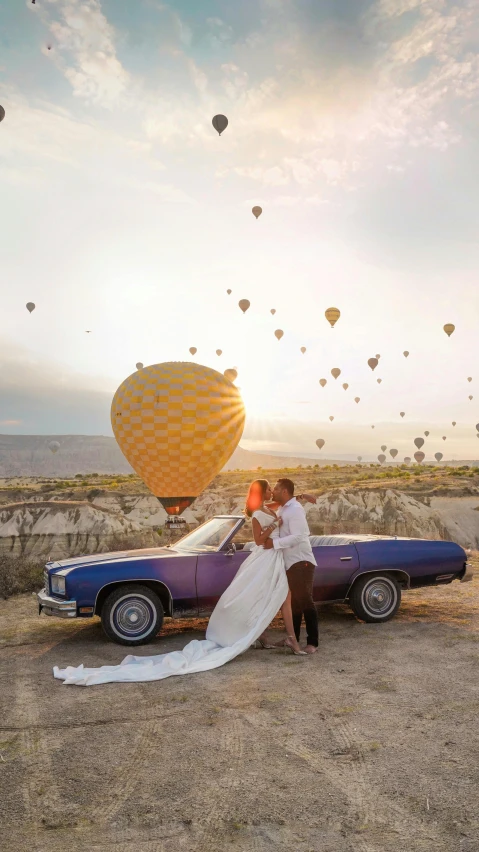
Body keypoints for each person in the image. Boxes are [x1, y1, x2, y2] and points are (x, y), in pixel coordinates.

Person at [52, 479, 305, 687]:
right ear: (263, 492)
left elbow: (284, 505)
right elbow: (261, 538)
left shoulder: (268, 508)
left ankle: (276, 637)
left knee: (275, 597)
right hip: (265, 556)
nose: (273, 490)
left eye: (274, 488)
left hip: (274, 557)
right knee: (266, 598)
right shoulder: (261, 514)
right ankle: (276, 637)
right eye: (269, 487)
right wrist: (275, 523)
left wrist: (300, 499)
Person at [263, 478, 319, 654]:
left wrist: (274, 543)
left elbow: (299, 536)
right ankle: (293, 639)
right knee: (293, 603)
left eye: (276, 489)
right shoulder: (284, 507)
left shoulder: (294, 510)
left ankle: (313, 643)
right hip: (290, 563)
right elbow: (263, 507)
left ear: (285, 492)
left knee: (305, 601)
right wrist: (301, 495)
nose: (273, 491)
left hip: (301, 561)